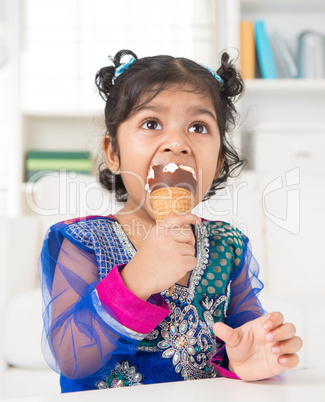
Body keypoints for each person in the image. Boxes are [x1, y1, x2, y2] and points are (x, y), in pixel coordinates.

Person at [39, 49, 302, 393]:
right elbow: (70, 357)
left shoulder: (228, 246)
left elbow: (246, 337)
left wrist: (252, 358)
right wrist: (135, 280)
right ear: (113, 153)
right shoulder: (84, 242)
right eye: (151, 123)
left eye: (198, 127)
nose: (177, 143)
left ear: (220, 161)